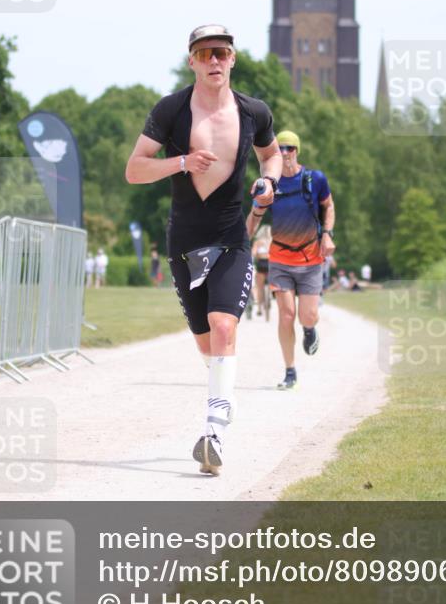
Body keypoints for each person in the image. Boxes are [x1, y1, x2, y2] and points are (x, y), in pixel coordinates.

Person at [125, 24, 281, 475]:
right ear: (191, 60)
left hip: (232, 237)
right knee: (207, 343)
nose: (215, 60)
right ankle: (221, 393)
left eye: (223, 52)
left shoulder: (253, 111)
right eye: (206, 53)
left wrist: (267, 181)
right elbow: (134, 170)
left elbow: (270, 155)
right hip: (185, 241)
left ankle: (214, 431)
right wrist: (181, 162)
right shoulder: (172, 110)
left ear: (233, 59)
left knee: (224, 327)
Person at [247, 130, 335, 390]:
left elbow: (328, 206)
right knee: (286, 315)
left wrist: (327, 235)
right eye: (280, 149)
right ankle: (290, 371)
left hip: (310, 260)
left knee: (308, 316)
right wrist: (241, 242)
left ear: (297, 151)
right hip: (280, 259)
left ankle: (309, 330)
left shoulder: (314, 180)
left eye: (289, 148)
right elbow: (255, 216)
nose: (284, 153)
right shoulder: (269, 185)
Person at [251, 225, 272, 316]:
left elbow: (253, 253)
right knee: (272, 284)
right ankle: (269, 296)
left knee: (259, 287)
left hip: (261, 264)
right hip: (271, 265)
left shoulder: (258, 242)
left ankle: (259, 307)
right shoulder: (273, 241)